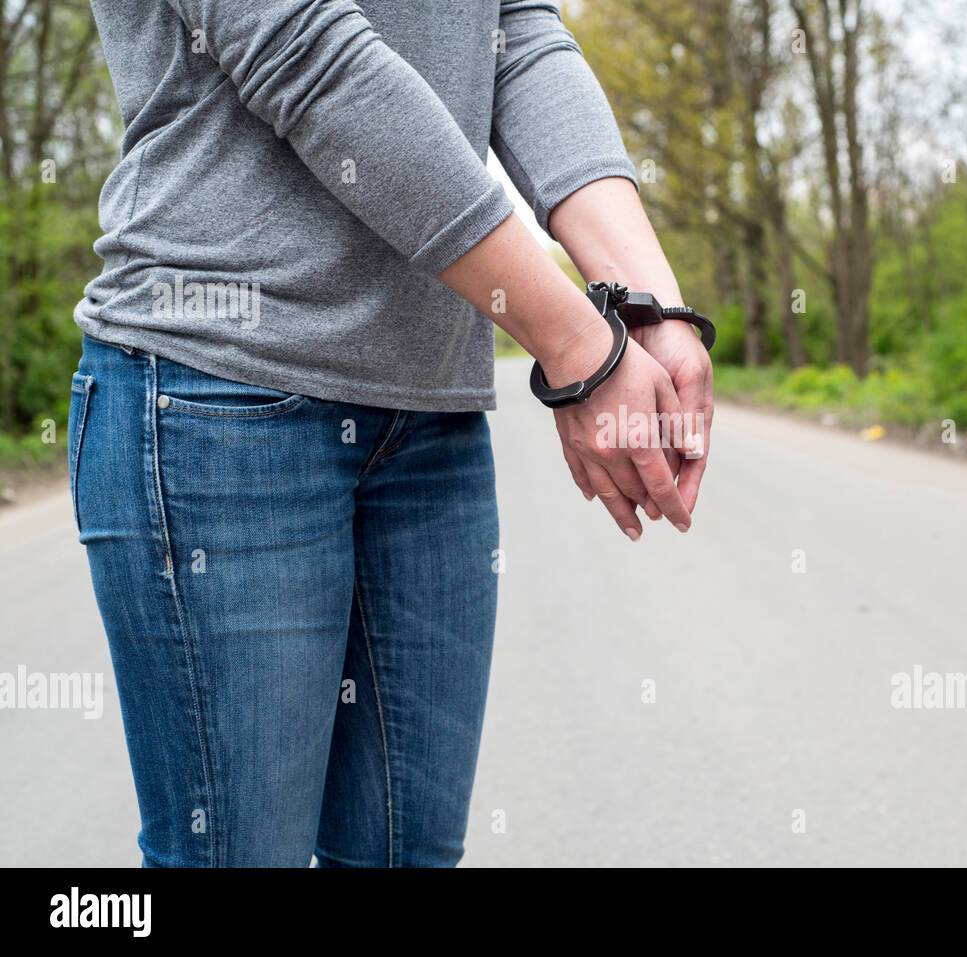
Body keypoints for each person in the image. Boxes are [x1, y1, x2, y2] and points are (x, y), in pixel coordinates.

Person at [67, 0, 713, 867]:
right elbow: (301, 45)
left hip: (429, 415)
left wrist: (649, 303)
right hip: (217, 392)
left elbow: (514, 32)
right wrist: (576, 345)